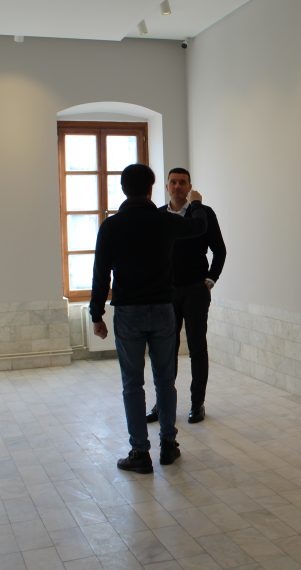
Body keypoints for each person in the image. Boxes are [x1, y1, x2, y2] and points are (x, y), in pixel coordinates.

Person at [90, 163, 208, 474]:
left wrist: (96, 314)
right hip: (162, 310)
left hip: (128, 312)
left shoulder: (111, 226)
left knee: (132, 384)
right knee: (165, 380)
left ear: (123, 189)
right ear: (152, 188)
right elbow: (198, 227)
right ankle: (168, 445)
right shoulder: (164, 221)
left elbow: (100, 274)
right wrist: (196, 203)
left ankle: (140, 453)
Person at [147, 167, 226, 425]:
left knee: (197, 348)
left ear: (190, 187)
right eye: (173, 182)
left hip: (195, 291)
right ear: (167, 187)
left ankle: (196, 404)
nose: (178, 186)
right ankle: (162, 403)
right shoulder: (158, 216)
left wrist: (210, 279)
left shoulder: (203, 214)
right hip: (167, 293)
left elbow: (220, 250)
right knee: (165, 351)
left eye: (183, 182)